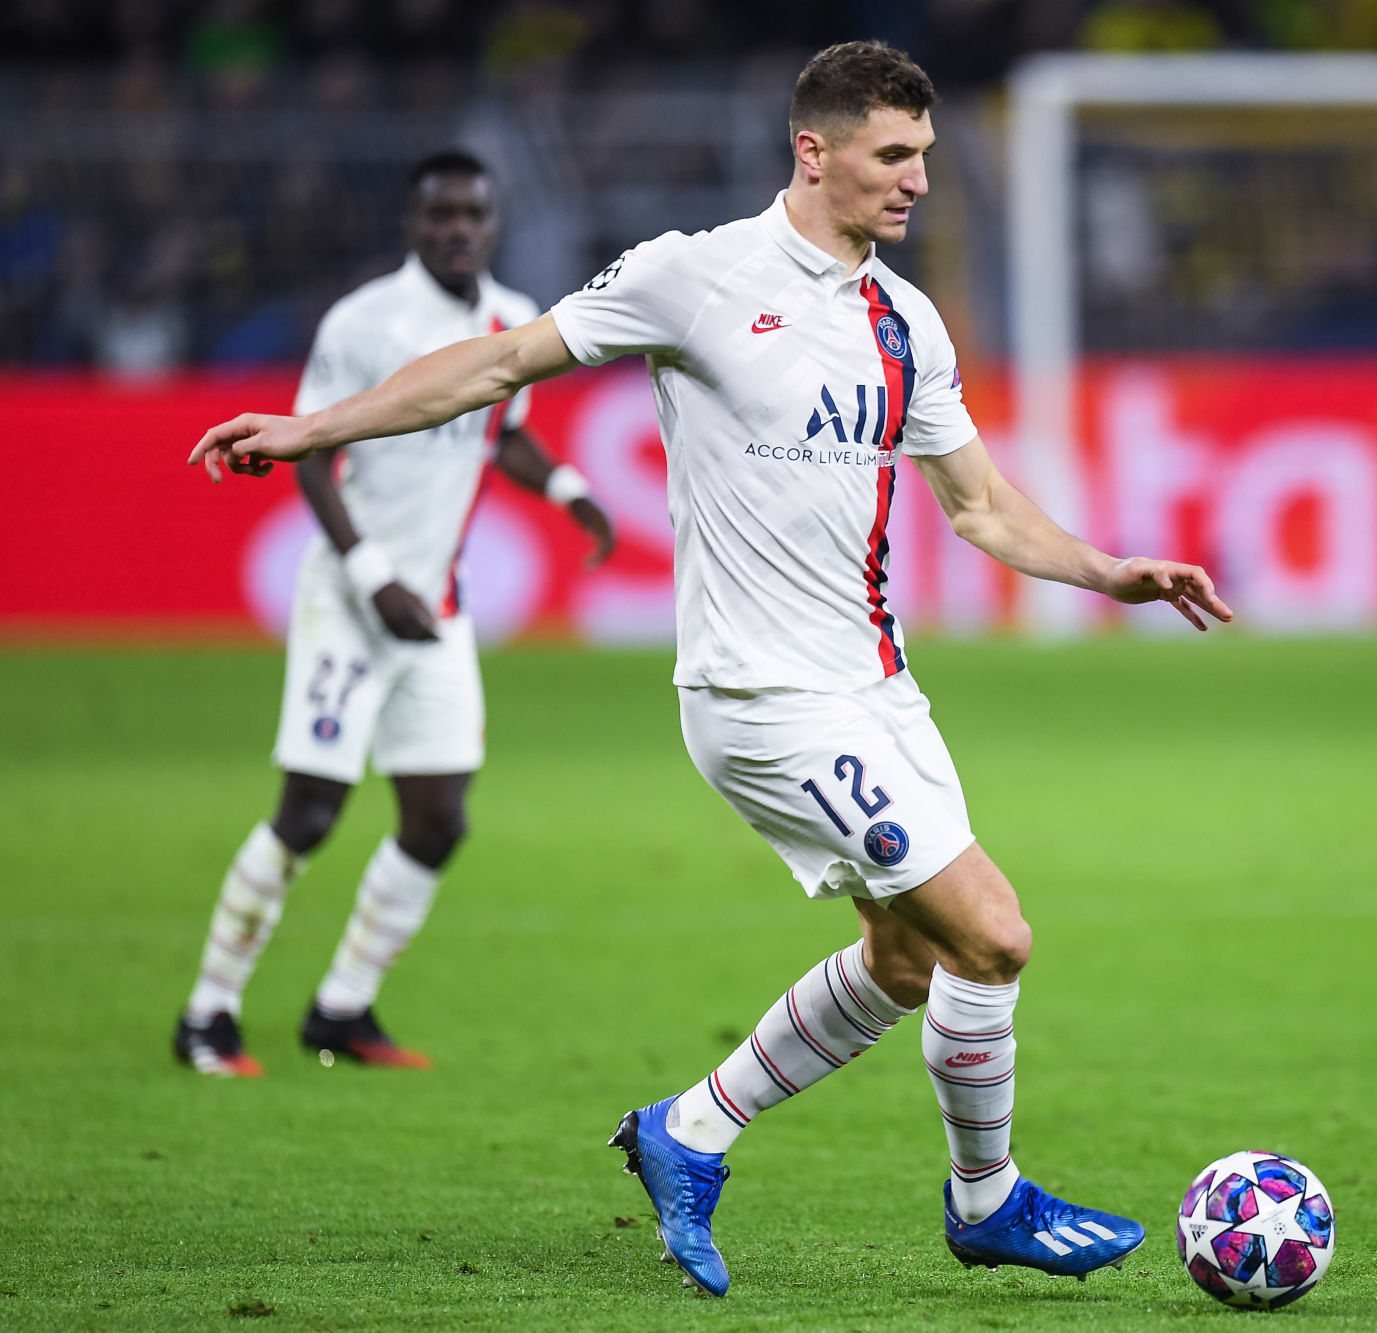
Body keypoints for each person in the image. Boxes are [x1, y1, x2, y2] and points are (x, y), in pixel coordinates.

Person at [186, 43, 1229, 1293]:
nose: (916, 183)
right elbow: (498, 362)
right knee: (993, 938)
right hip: (758, 700)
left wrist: (1108, 569)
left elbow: (984, 507)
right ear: (814, 150)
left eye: (926, 158)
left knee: (906, 962)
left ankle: (689, 1130)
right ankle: (985, 1197)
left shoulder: (906, 319)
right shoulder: (697, 276)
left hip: (879, 692)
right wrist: (315, 427)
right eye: (893, 156)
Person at [174, 149, 616, 1077]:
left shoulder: (506, 318)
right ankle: (208, 1014)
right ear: (412, 223)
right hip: (351, 601)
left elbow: (505, 431)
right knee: (310, 811)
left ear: (491, 223)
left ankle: (340, 1007)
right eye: (440, 214)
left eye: (472, 215)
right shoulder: (364, 321)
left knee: (438, 819)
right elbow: (307, 453)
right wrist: (373, 574)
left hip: (437, 608)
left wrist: (570, 488)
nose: (457, 229)